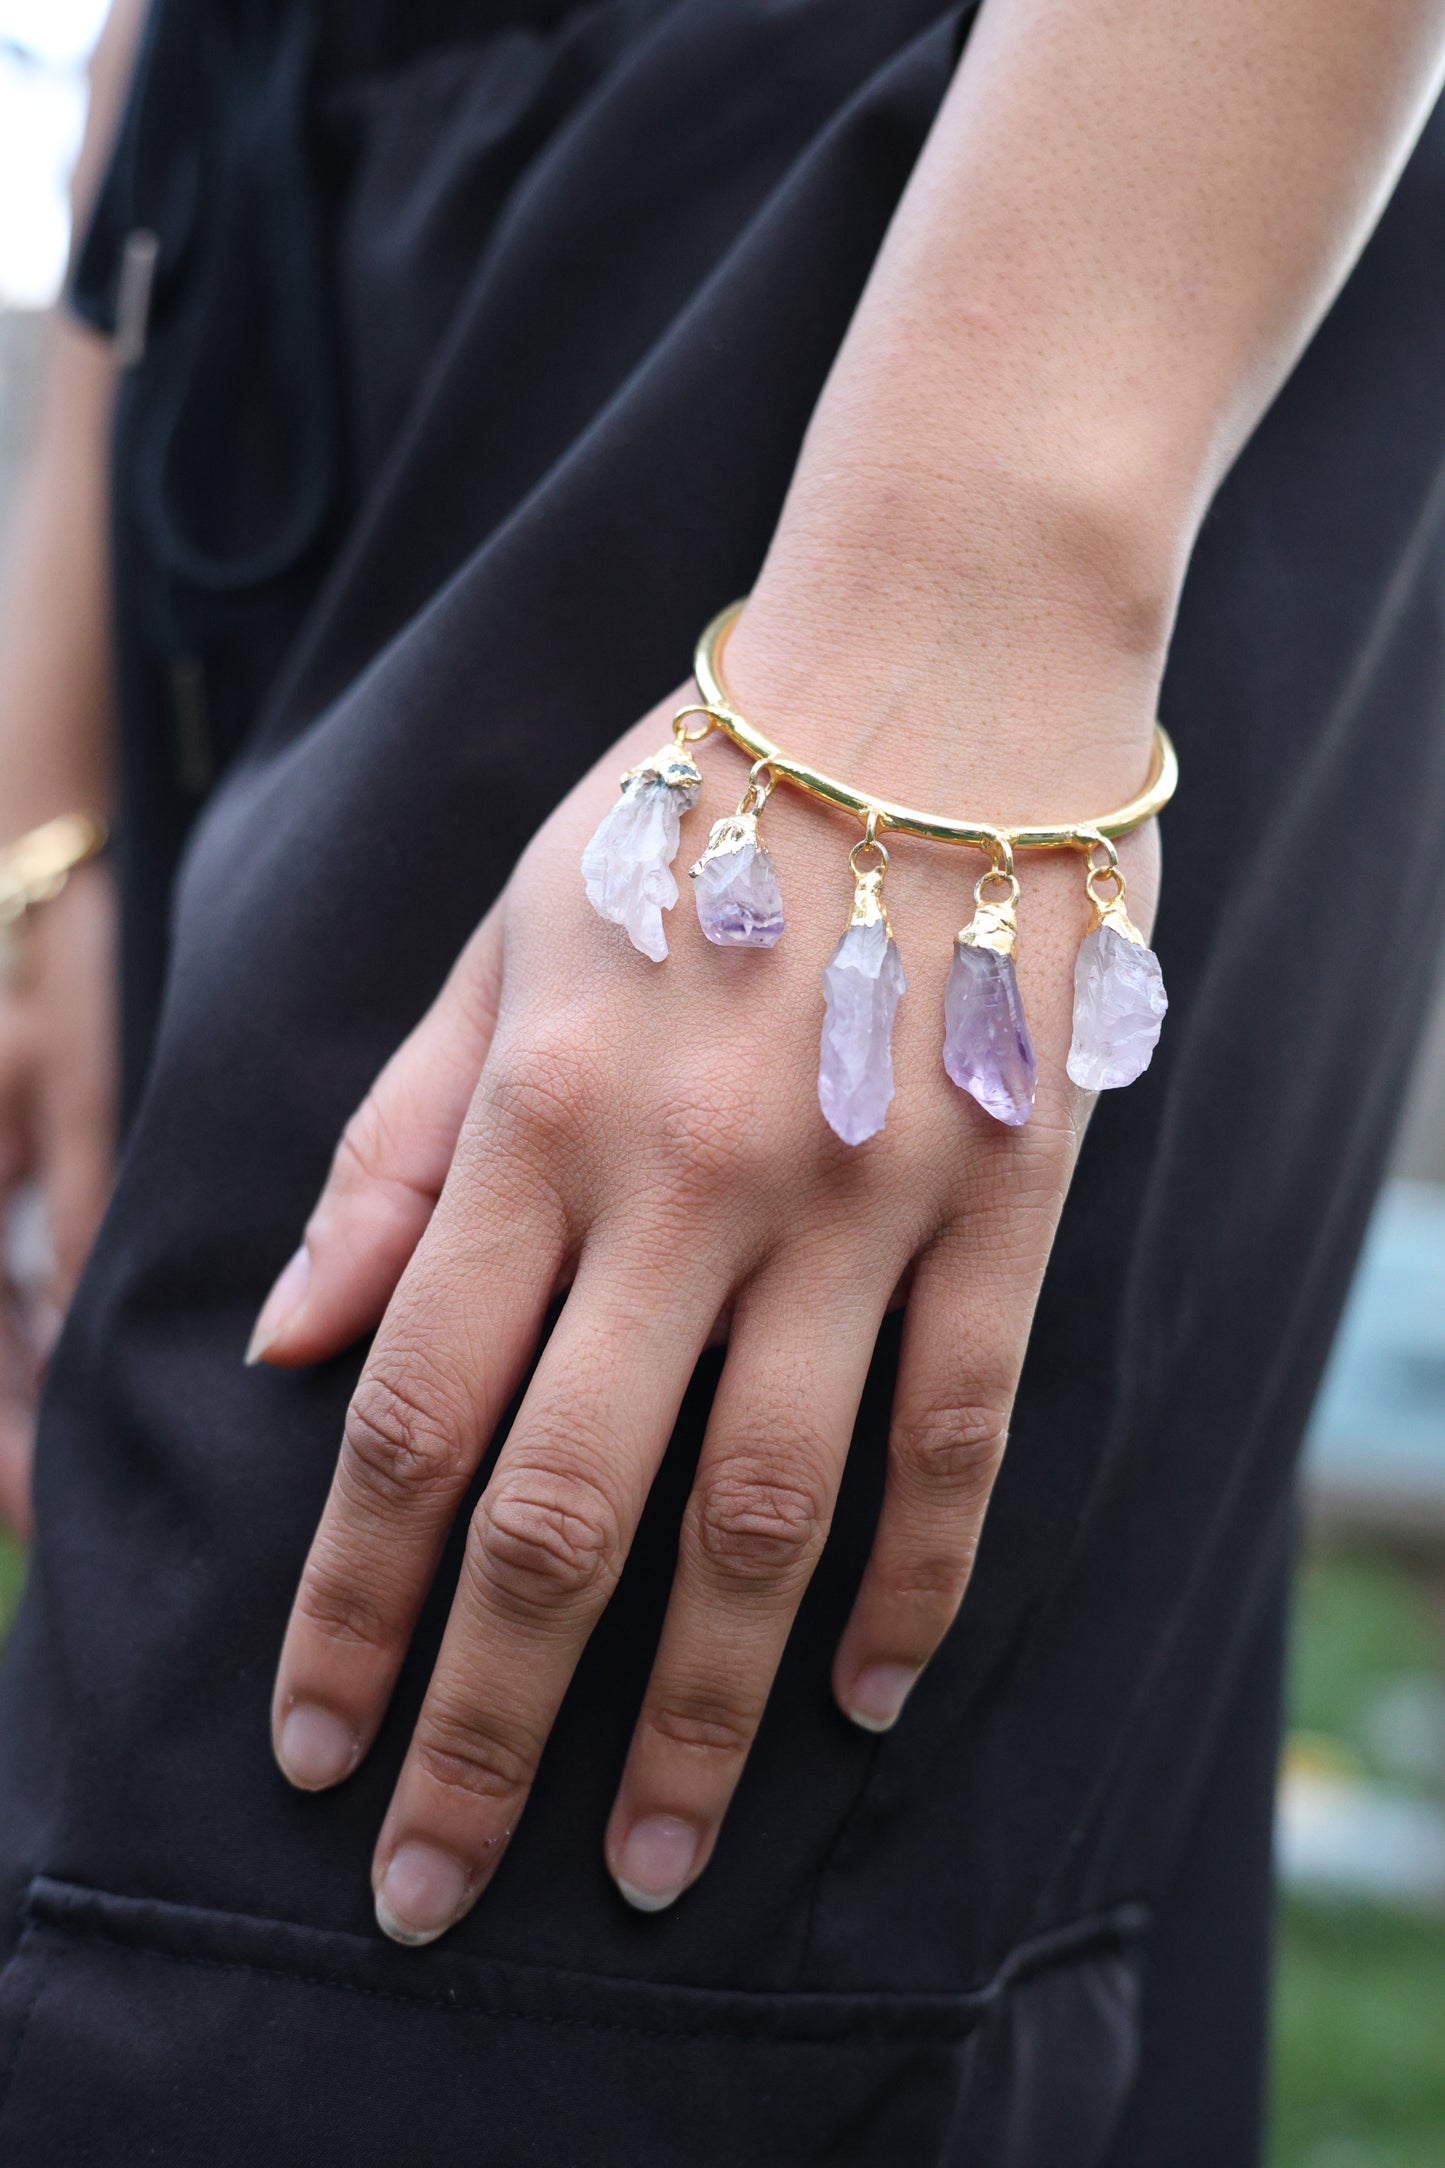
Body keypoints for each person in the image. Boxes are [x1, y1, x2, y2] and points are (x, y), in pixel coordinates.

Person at [2, 0, 1445, 2158]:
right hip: (275, 171)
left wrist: (988, 543)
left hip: (956, 222)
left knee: (410, 1995)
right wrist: (57, 733)